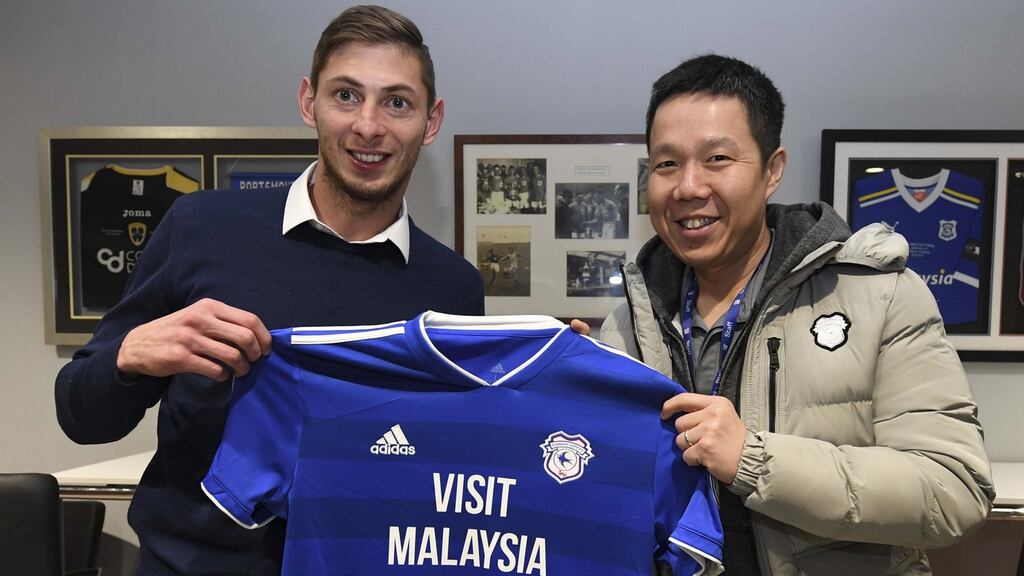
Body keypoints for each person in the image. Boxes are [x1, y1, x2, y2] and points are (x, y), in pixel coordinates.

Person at [54, 6, 484, 574]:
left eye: (397, 102)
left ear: (431, 121)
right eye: (346, 96)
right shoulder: (200, 227)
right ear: (309, 102)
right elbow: (81, 417)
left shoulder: (455, 287)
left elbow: (458, 463)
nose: (369, 126)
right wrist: (129, 358)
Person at [600, 54, 994, 575]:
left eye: (717, 158)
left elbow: (954, 491)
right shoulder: (627, 322)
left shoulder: (882, 296)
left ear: (772, 171)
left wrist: (753, 460)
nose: (688, 186)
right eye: (667, 164)